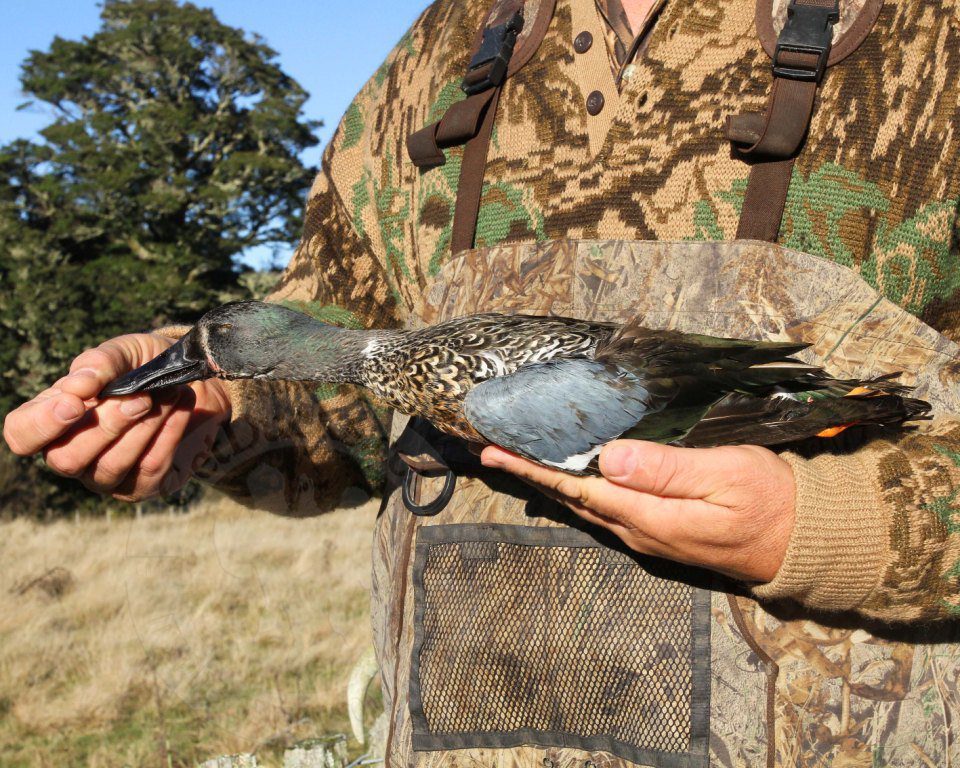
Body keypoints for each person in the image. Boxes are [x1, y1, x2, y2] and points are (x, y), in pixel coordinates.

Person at [5, 0, 960, 764]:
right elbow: (345, 364)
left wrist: (842, 524)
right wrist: (217, 406)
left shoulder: (932, 38)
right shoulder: (446, 50)